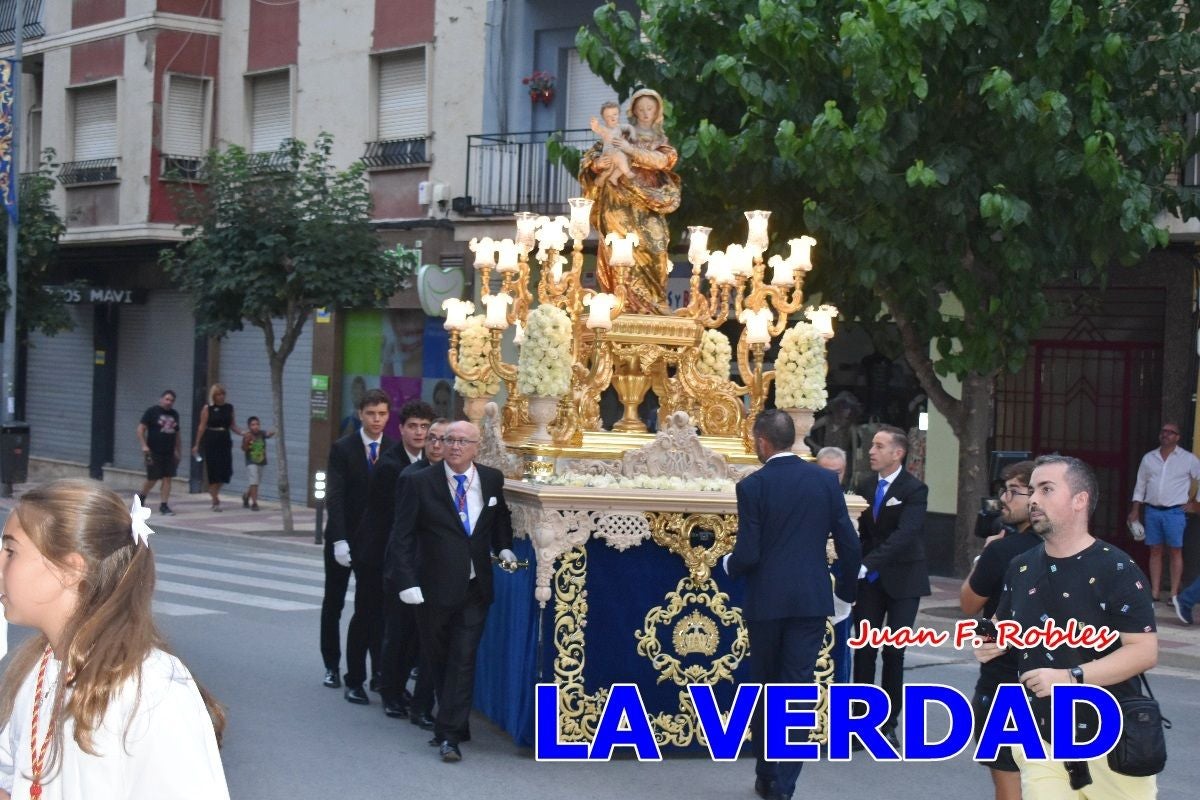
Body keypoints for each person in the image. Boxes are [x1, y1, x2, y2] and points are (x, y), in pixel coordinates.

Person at [0, 479, 229, 798]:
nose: (0, 563)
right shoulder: (38, 669)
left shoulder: (150, 688)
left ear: (69, 569)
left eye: (10, 551)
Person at [976, 455, 1158, 798]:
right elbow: (999, 625)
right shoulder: (1021, 567)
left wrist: (1070, 677)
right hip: (1039, 736)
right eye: (1032, 491)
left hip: (1112, 738)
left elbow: (1144, 652)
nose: (1033, 500)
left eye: (1046, 490)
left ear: (1080, 500)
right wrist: (989, 639)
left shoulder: (1117, 567)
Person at [725, 410, 860, 800]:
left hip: (767, 602)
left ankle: (766, 774)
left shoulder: (754, 486)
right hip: (810, 600)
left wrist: (728, 564)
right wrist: (845, 594)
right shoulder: (824, 481)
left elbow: (747, 554)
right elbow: (849, 545)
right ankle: (784, 785)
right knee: (796, 689)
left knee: (766, 687)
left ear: (763, 442)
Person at [387, 421, 516, 763]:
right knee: (439, 658)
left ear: (477, 446)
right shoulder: (417, 482)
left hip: (475, 588)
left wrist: (503, 547)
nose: (455, 446)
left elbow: (498, 519)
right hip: (432, 589)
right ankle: (455, 720)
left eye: (463, 441)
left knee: (463, 657)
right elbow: (401, 537)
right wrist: (407, 582)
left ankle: (447, 735)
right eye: (449, 440)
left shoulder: (490, 479)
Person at [959, 460, 1042, 800]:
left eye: (1012, 491)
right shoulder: (1077, 551)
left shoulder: (1002, 551)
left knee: (1010, 786)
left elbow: (968, 603)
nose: (1003, 499)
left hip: (1004, 683)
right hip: (1065, 681)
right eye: (1002, 490)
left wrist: (985, 555)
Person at [343, 400, 434, 707]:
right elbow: (392, 519)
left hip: (400, 553)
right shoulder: (391, 464)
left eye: (425, 427)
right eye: (413, 426)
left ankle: (385, 678)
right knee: (368, 616)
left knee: (395, 623)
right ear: (402, 429)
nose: (419, 432)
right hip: (374, 552)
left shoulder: (425, 461)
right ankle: (354, 680)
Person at [851, 424, 929, 748]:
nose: (871, 451)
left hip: (904, 581)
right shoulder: (864, 485)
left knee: (894, 652)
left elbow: (904, 535)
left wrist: (869, 562)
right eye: (871, 445)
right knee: (864, 651)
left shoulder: (915, 489)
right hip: (869, 583)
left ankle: (889, 723)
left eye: (879, 446)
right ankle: (859, 721)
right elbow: (861, 532)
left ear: (897, 453)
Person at [579, 88, 682, 314]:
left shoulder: (660, 141)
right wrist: (599, 164)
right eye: (641, 109)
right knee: (618, 248)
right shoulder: (621, 132)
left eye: (650, 109)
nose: (645, 113)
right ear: (633, 111)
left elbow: (662, 161)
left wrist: (630, 150)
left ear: (657, 112)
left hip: (649, 202)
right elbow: (593, 157)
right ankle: (621, 304)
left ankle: (654, 305)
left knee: (656, 250)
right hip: (618, 202)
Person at [320, 389, 396, 692]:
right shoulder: (343, 448)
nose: (377, 420)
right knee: (334, 603)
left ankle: (376, 669)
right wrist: (339, 539)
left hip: (375, 543)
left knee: (372, 607)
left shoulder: (392, 448)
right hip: (344, 537)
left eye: (382, 414)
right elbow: (335, 497)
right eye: (371, 414)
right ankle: (331, 665)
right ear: (360, 414)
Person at [385, 417, 450, 727]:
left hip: (436, 571)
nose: (436, 444)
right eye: (432, 438)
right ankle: (391, 693)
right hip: (409, 569)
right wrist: (403, 575)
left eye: (442, 438)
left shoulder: (453, 476)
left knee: (422, 642)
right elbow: (401, 533)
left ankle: (414, 700)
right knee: (400, 636)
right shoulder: (411, 476)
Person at [1128, 421, 1200, 602]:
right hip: (1153, 510)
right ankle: (1155, 591)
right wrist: (1135, 509)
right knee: (1155, 550)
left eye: (1170, 432)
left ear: (1178, 437)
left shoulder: (1188, 459)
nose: (1165, 434)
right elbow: (1140, 485)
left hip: (1175, 511)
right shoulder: (1149, 458)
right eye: (1163, 431)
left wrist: (1196, 503)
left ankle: (1174, 593)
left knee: (1176, 551)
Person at [191, 384, 245, 512]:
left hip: (225, 439)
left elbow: (232, 425)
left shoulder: (229, 408)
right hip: (212, 439)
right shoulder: (208, 408)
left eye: (222, 394)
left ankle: (213, 490)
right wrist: (197, 444)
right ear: (213, 396)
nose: (221, 397)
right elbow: (202, 426)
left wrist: (243, 432)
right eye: (218, 395)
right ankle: (215, 499)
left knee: (226, 471)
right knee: (214, 470)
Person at [136, 390, 181, 517]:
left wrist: (178, 450)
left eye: (171, 400)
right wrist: (144, 445)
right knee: (153, 478)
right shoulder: (152, 412)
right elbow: (140, 429)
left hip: (169, 452)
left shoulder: (174, 414)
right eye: (167, 399)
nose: (169, 402)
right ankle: (141, 497)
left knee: (168, 478)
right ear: (161, 399)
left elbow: (177, 434)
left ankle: (164, 505)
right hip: (153, 451)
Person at [589, 101, 635, 186]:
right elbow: (597, 129)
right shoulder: (604, 129)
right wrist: (594, 125)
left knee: (625, 160)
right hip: (609, 152)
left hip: (617, 151)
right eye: (608, 116)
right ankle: (627, 172)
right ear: (603, 118)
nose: (612, 118)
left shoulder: (620, 127)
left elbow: (629, 127)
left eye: (615, 114)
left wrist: (633, 134)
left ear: (619, 114)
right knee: (621, 157)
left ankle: (614, 177)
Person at [240, 416, 275, 510]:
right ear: (249, 426)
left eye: (257, 424)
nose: (256, 426)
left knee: (255, 483)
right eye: (253, 425)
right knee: (254, 482)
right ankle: (254, 503)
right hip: (251, 461)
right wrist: (246, 442)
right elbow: (243, 448)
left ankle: (246, 496)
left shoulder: (262, 434)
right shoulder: (247, 435)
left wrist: (273, 430)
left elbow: (269, 434)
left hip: (261, 461)